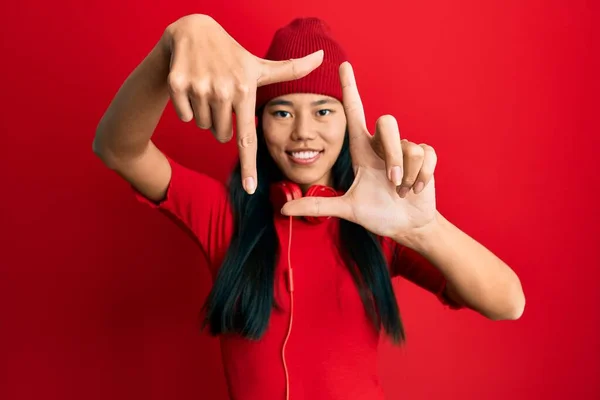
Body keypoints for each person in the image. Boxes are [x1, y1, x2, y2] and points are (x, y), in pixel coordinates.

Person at [93, 13, 525, 400]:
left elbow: (507, 303)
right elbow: (118, 149)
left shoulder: (381, 223)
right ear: (257, 121)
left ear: (346, 119)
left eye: (323, 111)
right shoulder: (226, 216)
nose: (303, 132)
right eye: (281, 112)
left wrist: (424, 229)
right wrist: (172, 43)